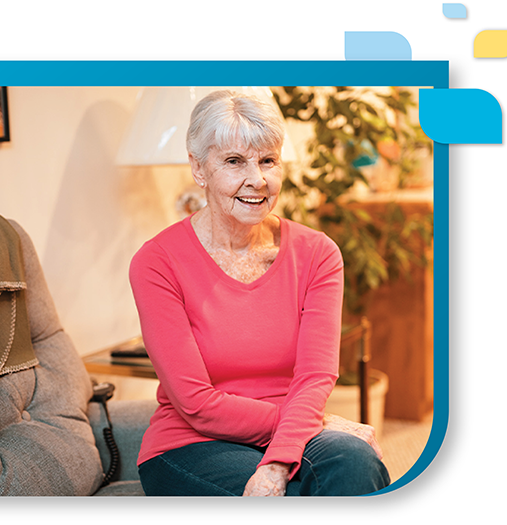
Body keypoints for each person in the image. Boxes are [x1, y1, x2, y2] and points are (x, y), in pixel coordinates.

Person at [129, 90, 390, 496]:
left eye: (268, 160)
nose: (258, 179)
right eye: (234, 162)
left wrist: (278, 461)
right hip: (192, 443)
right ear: (198, 168)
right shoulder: (157, 262)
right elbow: (196, 403)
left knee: (355, 460)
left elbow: (316, 375)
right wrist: (312, 424)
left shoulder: (318, 253)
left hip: (294, 431)